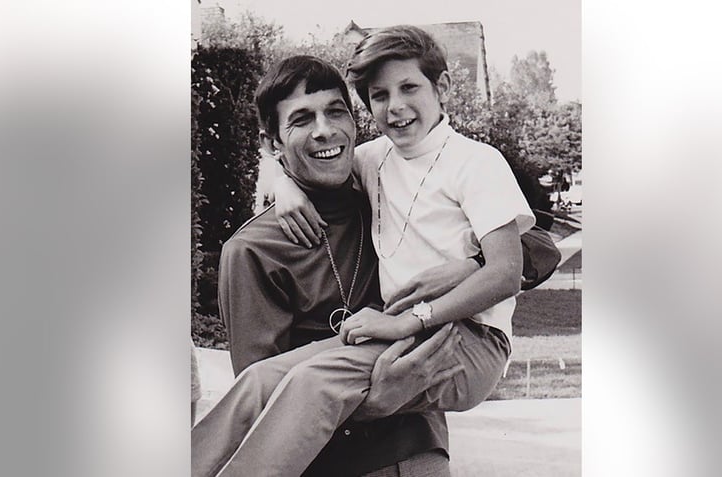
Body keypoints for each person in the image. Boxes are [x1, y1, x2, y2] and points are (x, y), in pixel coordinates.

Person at [211, 24, 535, 476]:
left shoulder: (471, 162)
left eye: (409, 88)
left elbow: (520, 258)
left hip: (458, 341)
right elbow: (286, 157)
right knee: (259, 382)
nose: (395, 106)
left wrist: (466, 266)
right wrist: (277, 178)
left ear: (441, 87)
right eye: (379, 95)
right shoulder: (374, 162)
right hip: (344, 442)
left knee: (311, 379)